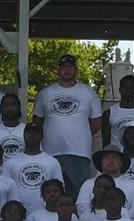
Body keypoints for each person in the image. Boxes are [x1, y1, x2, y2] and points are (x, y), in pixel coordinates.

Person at [35, 54, 103, 190]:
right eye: (63, 67)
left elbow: (97, 122)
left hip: (79, 152)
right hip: (50, 152)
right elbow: (37, 121)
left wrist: (80, 135)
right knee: (51, 192)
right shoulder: (45, 93)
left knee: (79, 192)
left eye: (70, 67)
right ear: (58, 70)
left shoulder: (88, 92)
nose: (66, 70)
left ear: (76, 70)